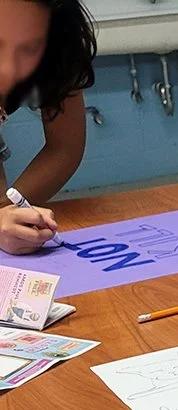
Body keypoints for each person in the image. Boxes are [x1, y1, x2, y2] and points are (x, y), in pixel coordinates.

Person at [0, 0, 96, 255]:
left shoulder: (60, 38)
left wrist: (5, 213)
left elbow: (64, 148)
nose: (8, 70)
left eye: (30, 48)